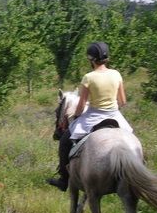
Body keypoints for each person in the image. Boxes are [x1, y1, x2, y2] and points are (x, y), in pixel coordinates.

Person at [47, 41, 133, 191]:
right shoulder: (116, 74)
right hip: (115, 114)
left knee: (65, 141)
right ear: (107, 58)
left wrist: (78, 114)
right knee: (132, 139)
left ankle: (63, 179)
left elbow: (80, 107)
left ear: (91, 59)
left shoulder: (89, 77)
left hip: (93, 115)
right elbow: (123, 102)